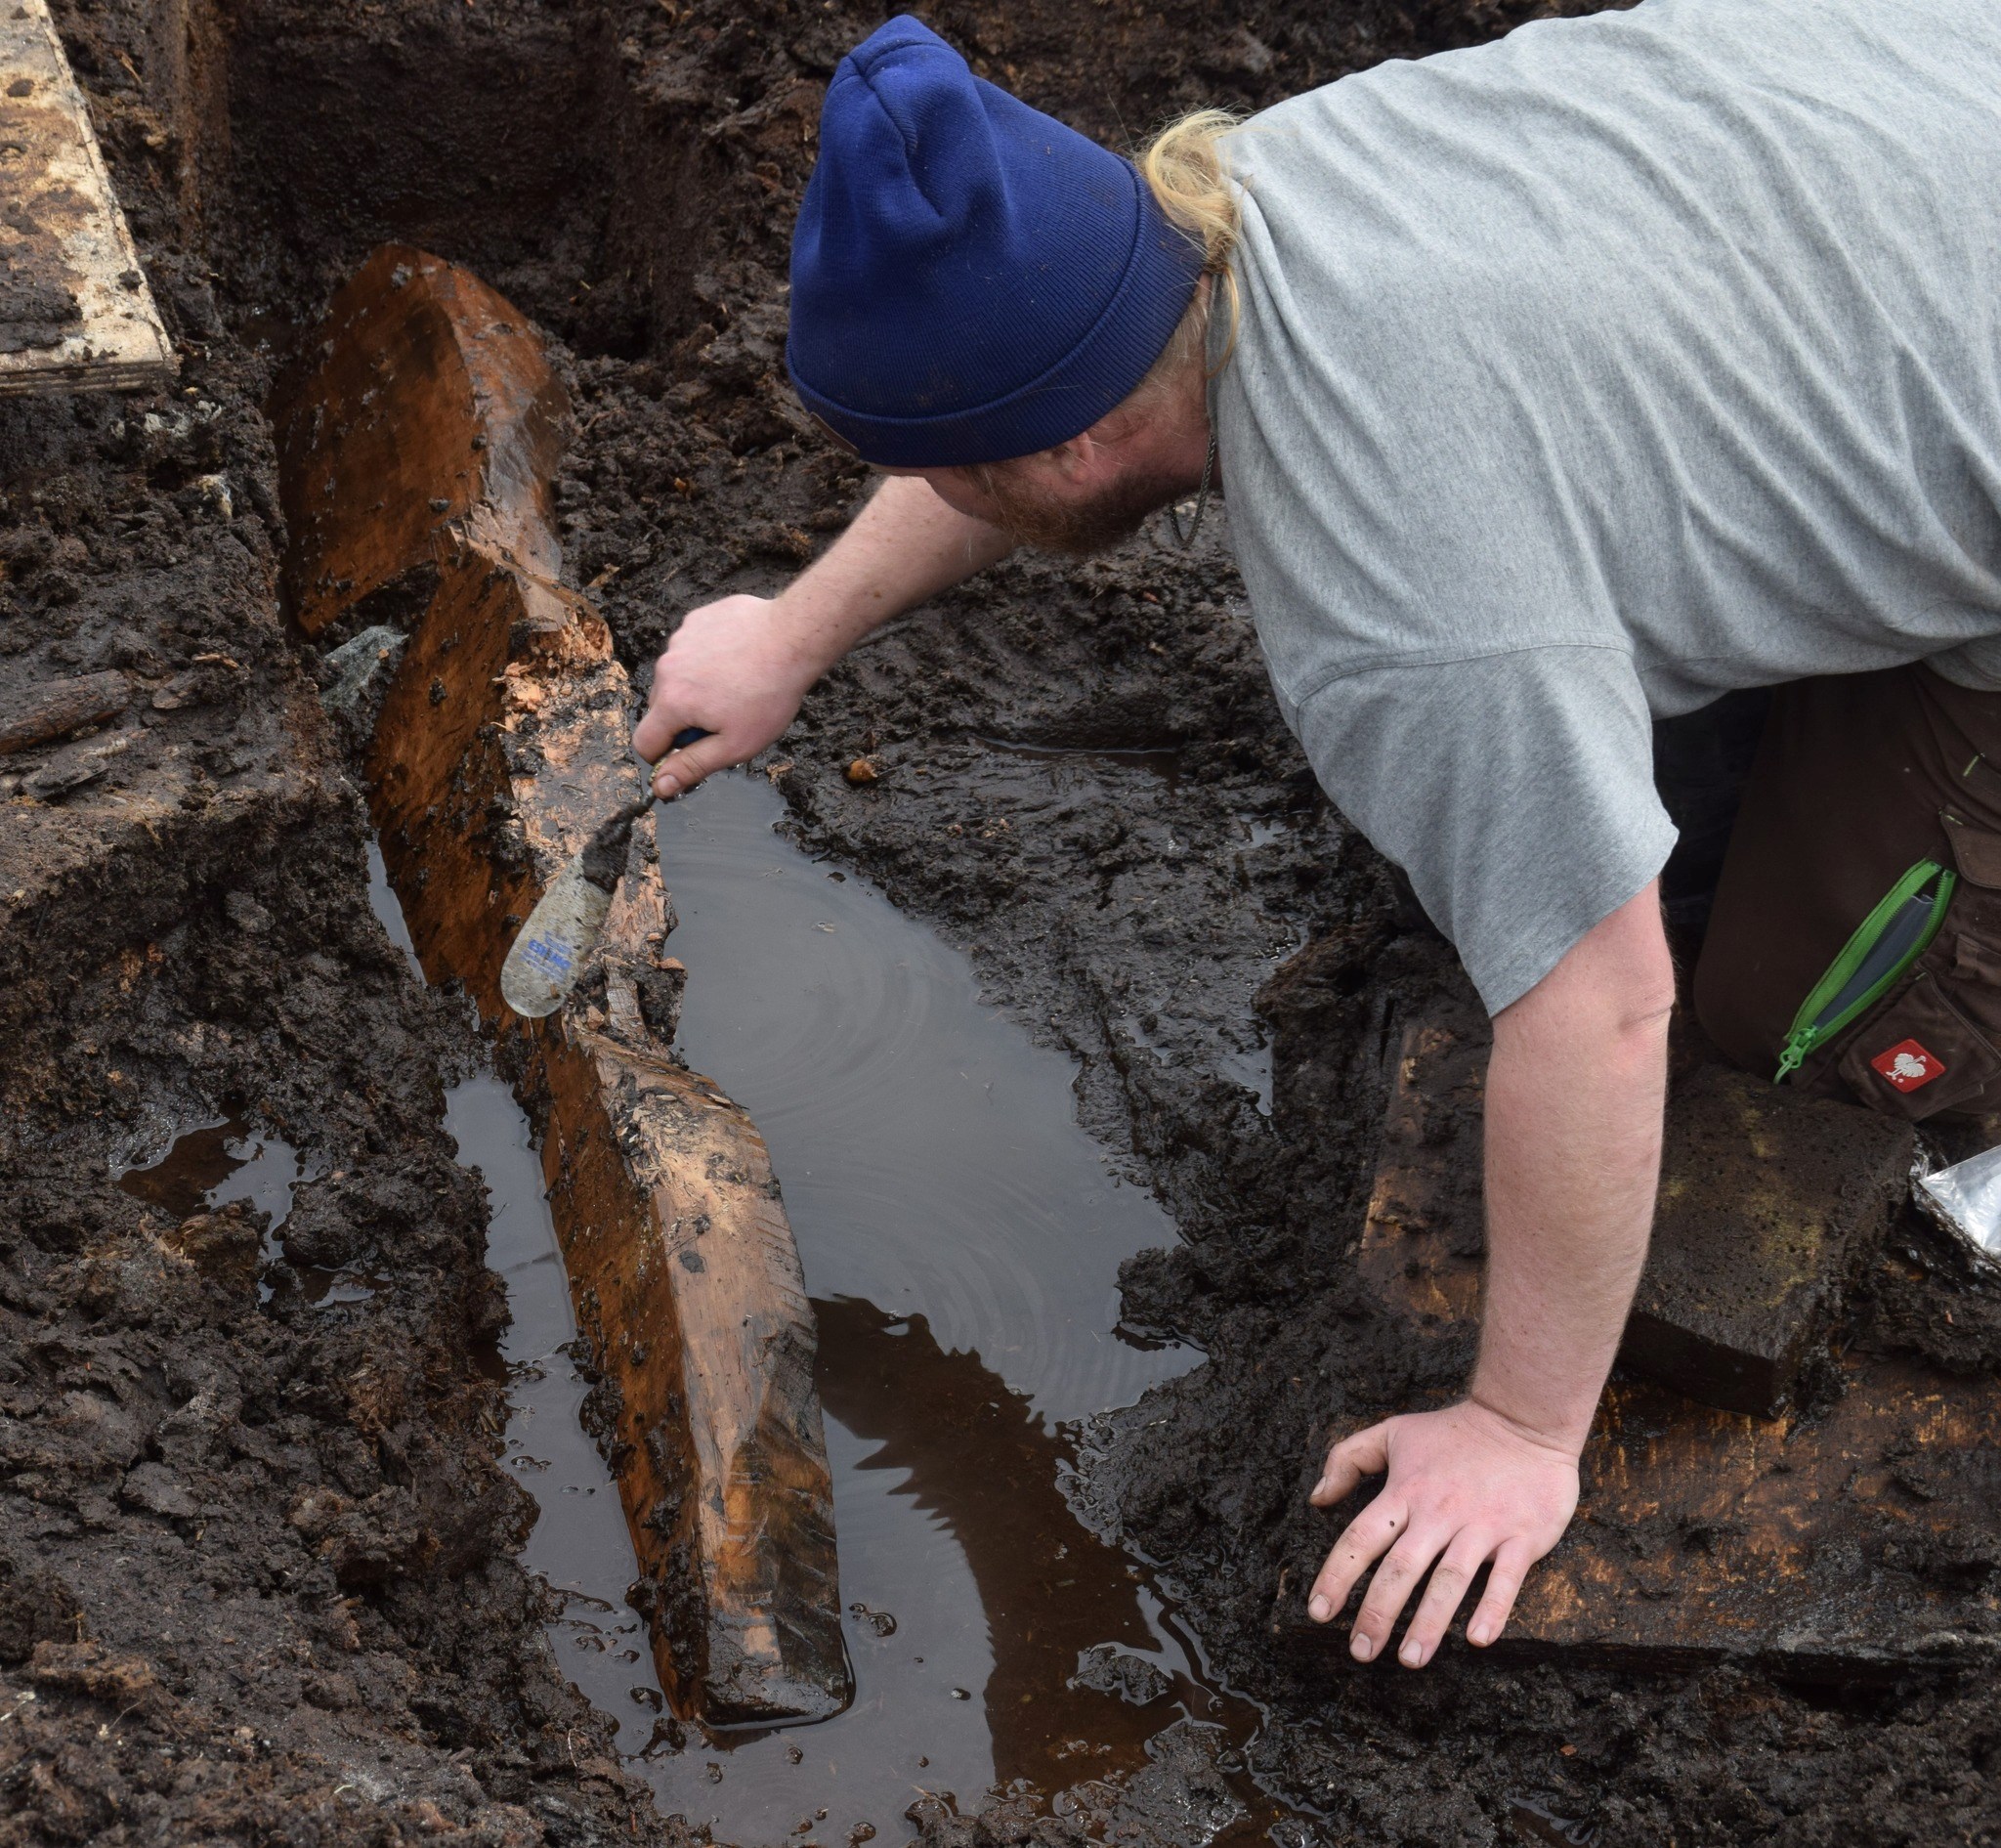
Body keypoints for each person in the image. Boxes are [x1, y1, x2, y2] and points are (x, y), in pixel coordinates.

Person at [634, 0, 2001, 1670]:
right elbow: (1013, 426)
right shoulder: (1243, 194)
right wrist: (793, 633)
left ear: (1070, 440)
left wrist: (1516, 1430)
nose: (950, 495)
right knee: (1555, 797)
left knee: (1766, 1029)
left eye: (960, 473)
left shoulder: (1401, 606)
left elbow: (1599, 1001)